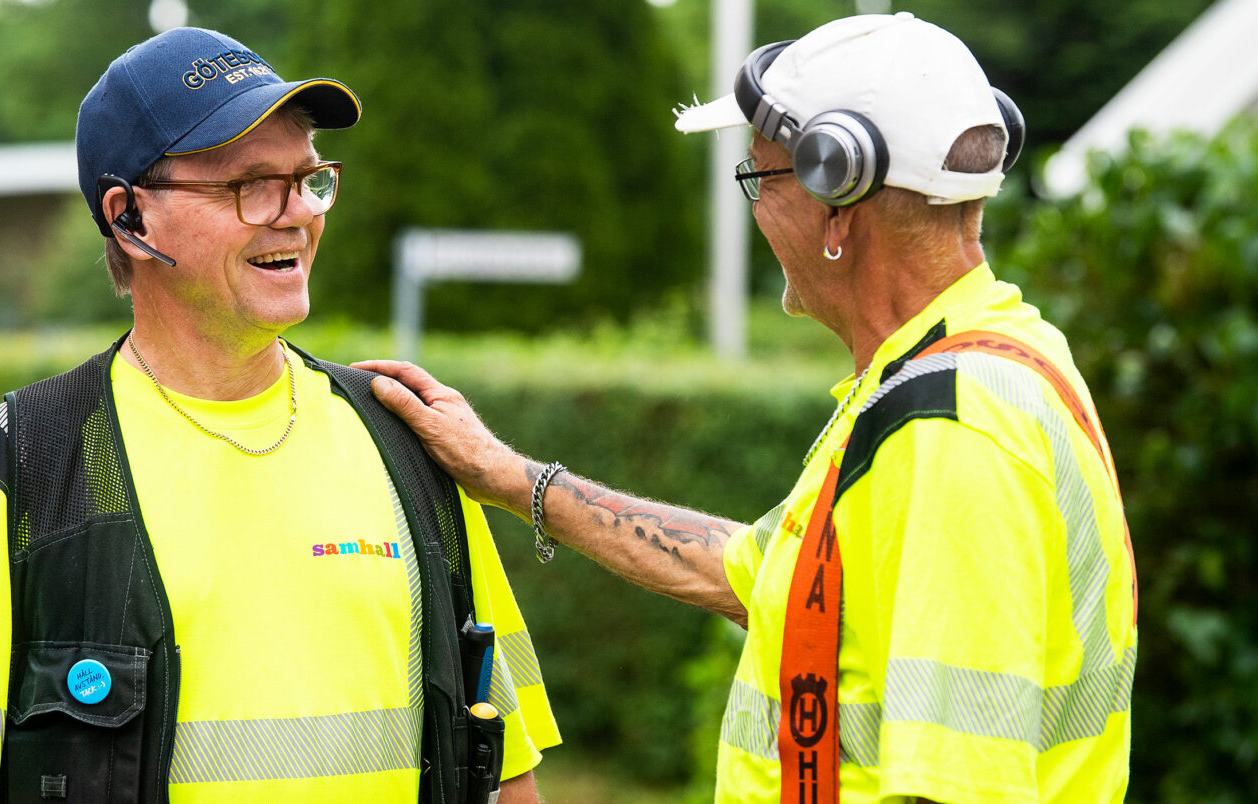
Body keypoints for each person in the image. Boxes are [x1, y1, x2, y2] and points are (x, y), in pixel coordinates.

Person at [358, 13, 1136, 804]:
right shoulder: (972, 362)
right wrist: (509, 476)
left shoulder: (952, 430)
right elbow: (761, 580)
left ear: (838, 199)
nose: (757, 211)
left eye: (760, 179)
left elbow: (961, 788)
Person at [0, 27, 557, 804]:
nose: (296, 213)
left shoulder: (408, 441)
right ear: (130, 217)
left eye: (309, 178)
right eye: (250, 185)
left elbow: (506, 775)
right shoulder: (24, 461)